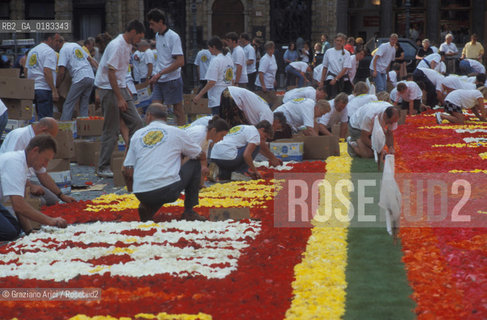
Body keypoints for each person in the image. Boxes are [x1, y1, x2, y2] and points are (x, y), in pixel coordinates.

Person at [122, 103, 206, 221]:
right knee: (194, 161)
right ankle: (189, 211)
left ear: (149, 116)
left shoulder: (137, 134)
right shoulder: (176, 132)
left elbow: (126, 169)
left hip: (141, 192)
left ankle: (148, 205)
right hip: (167, 191)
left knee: (158, 183)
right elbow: (199, 154)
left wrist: (134, 190)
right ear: (166, 118)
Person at [94, 20, 145, 178]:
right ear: (133, 32)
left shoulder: (128, 45)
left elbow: (121, 72)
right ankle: (103, 166)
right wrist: (119, 97)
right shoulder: (117, 45)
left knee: (137, 122)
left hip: (120, 88)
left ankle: (131, 158)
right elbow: (111, 73)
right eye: (139, 37)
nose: (139, 41)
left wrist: (125, 92)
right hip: (109, 89)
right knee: (112, 129)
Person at [0, 135, 68, 241]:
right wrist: (50, 221)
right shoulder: (15, 163)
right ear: (35, 151)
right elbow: (18, 206)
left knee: (16, 229)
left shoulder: (22, 164)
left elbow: (19, 202)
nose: (45, 165)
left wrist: (29, 231)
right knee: (8, 232)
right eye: (45, 160)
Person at [0, 117, 76, 206]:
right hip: (9, 180)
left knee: (53, 200)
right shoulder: (20, 135)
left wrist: (61, 195)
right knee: (40, 202)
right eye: (50, 137)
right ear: (44, 130)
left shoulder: (40, 143)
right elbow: (10, 170)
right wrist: (30, 186)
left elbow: (42, 173)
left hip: (26, 180)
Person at [147, 9, 186, 126]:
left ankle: (182, 133)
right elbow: (161, 59)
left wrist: (160, 73)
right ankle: (158, 135)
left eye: (152, 24)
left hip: (172, 80)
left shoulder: (174, 37)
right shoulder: (157, 36)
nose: (150, 27)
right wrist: (155, 74)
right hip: (159, 79)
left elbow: (180, 61)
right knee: (154, 110)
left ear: (160, 22)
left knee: (178, 111)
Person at [209, 121, 273, 181]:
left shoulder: (242, 127)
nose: (264, 139)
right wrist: (255, 171)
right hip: (229, 159)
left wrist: (248, 171)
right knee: (257, 146)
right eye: (265, 136)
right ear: (261, 129)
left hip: (215, 157)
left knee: (227, 176)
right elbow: (246, 155)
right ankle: (239, 172)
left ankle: (218, 171)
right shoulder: (255, 134)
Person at [193, 36, 234, 116]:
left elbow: (211, 82)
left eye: (209, 48)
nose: (209, 50)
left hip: (217, 97)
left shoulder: (215, 60)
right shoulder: (229, 59)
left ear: (214, 47)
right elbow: (232, 79)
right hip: (228, 96)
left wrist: (199, 95)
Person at [26, 33, 63, 119]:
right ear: (50, 39)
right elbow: (47, 71)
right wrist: (54, 90)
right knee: (46, 120)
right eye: (56, 40)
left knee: (35, 118)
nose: (58, 43)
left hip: (32, 88)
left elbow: (26, 70)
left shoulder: (33, 51)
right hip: (44, 88)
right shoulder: (49, 52)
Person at [56, 41, 97, 121]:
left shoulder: (63, 50)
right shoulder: (76, 45)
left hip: (80, 77)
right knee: (84, 104)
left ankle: (64, 126)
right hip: (90, 76)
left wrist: (57, 85)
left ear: (59, 43)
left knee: (69, 103)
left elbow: (61, 71)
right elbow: (91, 60)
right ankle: (84, 127)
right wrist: (100, 73)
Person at [185, 116, 230, 186]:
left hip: (184, 159)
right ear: (214, 131)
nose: (222, 139)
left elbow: (203, 159)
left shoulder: (207, 139)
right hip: (176, 158)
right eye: (222, 135)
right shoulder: (199, 135)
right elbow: (186, 156)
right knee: (194, 164)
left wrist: (202, 184)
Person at [320, 34, 352, 98]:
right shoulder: (328, 52)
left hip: (342, 78)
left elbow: (345, 68)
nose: (339, 43)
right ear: (334, 41)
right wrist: (322, 81)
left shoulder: (346, 53)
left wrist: (336, 79)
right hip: (331, 77)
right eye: (337, 40)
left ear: (344, 42)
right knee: (331, 98)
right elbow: (325, 67)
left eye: (341, 41)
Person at [255, 41, 278, 108]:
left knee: (272, 102)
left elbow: (273, 70)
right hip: (264, 85)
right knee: (265, 104)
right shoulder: (265, 59)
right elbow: (261, 73)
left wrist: (274, 79)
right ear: (266, 50)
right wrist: (263, 85)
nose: (271, 51)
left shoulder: (273, 57)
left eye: (272, 49)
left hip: (271, 84)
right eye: (269, 49)